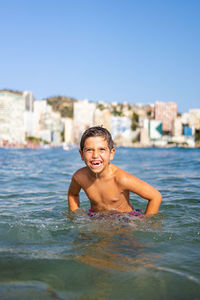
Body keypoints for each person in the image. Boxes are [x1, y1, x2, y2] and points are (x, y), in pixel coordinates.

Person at [68, 126, 162, 215]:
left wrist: (147, 222)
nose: (95, 155)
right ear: (81, 154)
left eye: (102, 149)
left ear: (111, 154)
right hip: (96, 217)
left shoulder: (121, 179)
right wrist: (75, 216)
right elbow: (72, 195)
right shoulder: (79, 177)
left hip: (124, 219)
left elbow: (155, 196)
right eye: (89, 150)